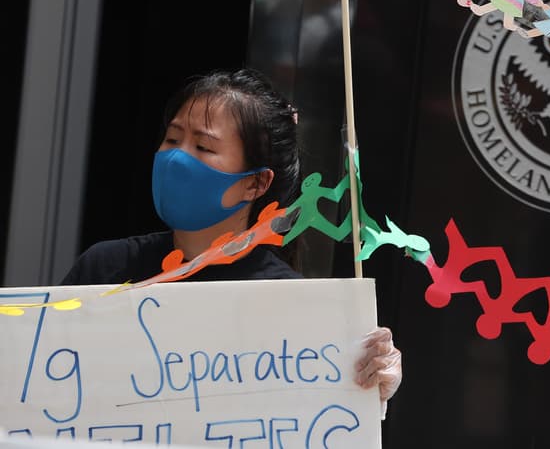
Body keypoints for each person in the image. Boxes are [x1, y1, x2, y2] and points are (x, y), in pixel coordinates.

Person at [60, 68, 403, 414]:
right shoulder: (104, 268)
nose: (177, 159)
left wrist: (368, 388)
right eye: (172, 139)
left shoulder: (299, 308)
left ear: (256, 184)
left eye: (204, 146)